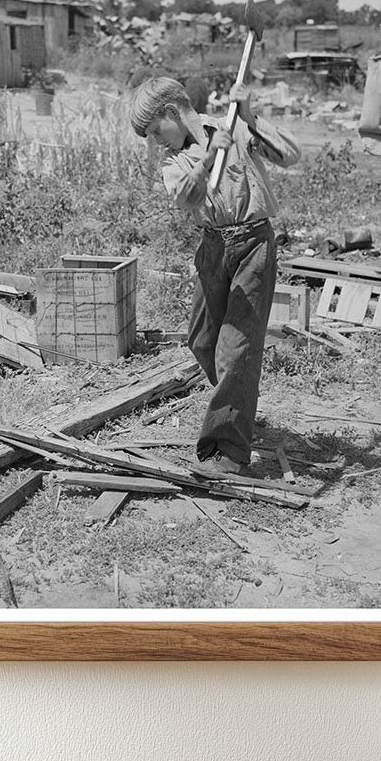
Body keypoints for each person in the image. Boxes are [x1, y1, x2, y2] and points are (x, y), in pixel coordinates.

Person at [129, 77, 302, 476]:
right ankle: (238, 399)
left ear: (171, 112)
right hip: (213, 247)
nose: (157, 141)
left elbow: (290, 155)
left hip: (253, 244)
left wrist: (250, 117)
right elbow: (184, 197)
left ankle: (229, 450)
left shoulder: (234, 126)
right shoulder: (173, 160)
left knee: (236, 350)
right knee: (203, 340)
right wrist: (208, 159)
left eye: (156, 130)